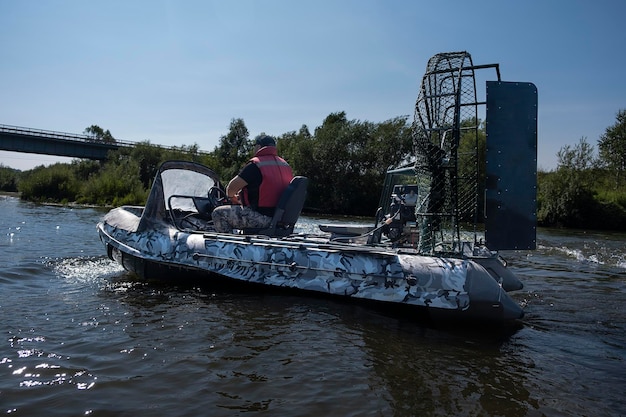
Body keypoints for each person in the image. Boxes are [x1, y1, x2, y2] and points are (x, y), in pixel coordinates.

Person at [212, 134, 293, 233]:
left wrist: (232, 198)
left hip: (261, 218)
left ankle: (228, 245)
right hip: (281, 220)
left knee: (218, 213)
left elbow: (231, 188)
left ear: (258, 147)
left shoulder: (256, 165)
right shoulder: (285, 165)